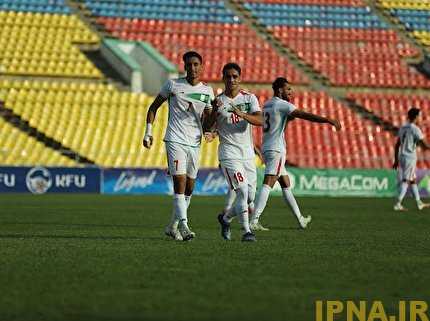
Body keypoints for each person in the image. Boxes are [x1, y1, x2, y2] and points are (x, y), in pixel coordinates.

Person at [250, 77, 341, 230]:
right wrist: (327, 119)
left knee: (286, 184)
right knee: (268, 182)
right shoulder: (282, 104)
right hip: (276, 149)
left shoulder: (267, 104)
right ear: (280, 90)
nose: (291, 92)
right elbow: (304, 115)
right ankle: (254, 220)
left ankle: (300, 219)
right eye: (288, 89)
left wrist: (289, 117)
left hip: (267, 147)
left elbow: (282, 120)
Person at [143, 51, 215, 241]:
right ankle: (184, 225)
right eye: (189, 64)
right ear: (184, 66)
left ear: (202, 66)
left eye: (196, 64)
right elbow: (153, 107)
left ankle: (172, 226)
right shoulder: (173, 85)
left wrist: (211, 129)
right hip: (175, 139)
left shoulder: (207, 91)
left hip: (195, 143)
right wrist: (148, 132)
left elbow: (208, 120)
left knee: (190, 186)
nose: (192, 68)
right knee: (180, 182)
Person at [204, 63, 263, 242]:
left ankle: (226, 218)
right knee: (243, 192)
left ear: (240, 78)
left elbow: (260, 120)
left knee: (250, 197)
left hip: (247, 154)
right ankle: (246, 231)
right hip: (229, 153)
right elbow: (206, 127)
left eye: (235, 76)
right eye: (228, 76)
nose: (231, 80)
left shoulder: (249, 98)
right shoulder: (218, 101)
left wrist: (242, 114)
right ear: (223, 78)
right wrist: (214, 110)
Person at [393, 107, 430, 211]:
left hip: (402, 156)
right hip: (410, 157)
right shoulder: (415, 129)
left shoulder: (403, 127)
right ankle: (398, 203)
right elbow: (424, 145)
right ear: (416, 116)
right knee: (406, 180)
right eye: (419, 116)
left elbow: (397, 145)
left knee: (412, 180)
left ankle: (419, 203)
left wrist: (396, 160)